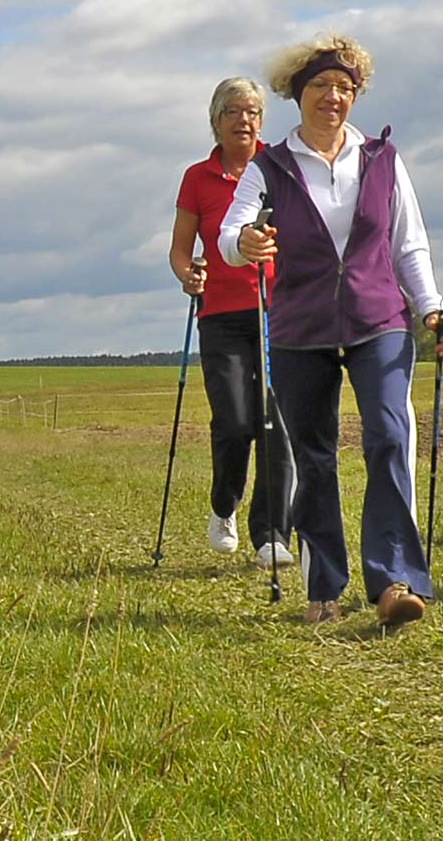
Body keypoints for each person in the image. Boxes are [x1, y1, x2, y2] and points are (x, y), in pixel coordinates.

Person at [224, 33, 443, 629]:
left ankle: (395, 580)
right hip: (300, 327)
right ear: (296, 93)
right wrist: (245, 243)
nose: (334, 97)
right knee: (314, 456)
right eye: (322, 86)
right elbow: (232, 235)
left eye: (345, 88)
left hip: (377, 319)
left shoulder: (382, 159)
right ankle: (323, 585)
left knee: (387, 434)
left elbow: (408, 242)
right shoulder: (268, 167)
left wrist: (430, 308)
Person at [168, 77, 288, 565]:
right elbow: (180, 251)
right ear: (216, 121)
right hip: (221, 314)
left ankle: (272, 533)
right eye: (234, 112)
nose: (245, 120)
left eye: (254, 112)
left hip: (281, 312)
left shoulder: (279, 167)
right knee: (237, 422)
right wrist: (187, 274)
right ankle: (224, 506)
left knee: (278, 423)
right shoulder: (198, 177)